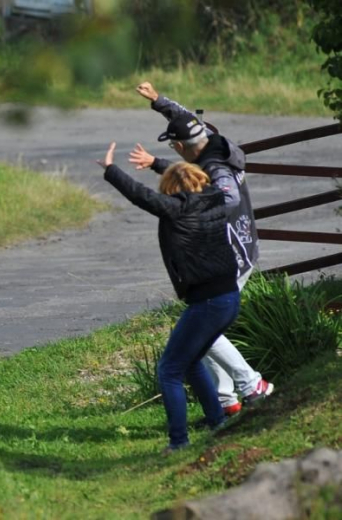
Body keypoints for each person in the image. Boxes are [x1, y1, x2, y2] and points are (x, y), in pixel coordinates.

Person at [129, 82, 273, 416]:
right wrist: (158, 101)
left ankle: (252, 384)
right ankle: (227, 399)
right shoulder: (217, 144)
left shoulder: (216, 169)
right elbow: (186, 119)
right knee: (210, 327)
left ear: (181, 147)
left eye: (176, 150)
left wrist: (193, 209)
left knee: (204, 326)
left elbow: (223, 195)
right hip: (245, 246)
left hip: (231, 254)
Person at [98, 145, 240, 454]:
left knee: (170, 370)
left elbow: (141, 196)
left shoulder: (176, 208)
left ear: (173, 189)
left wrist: (111, 170)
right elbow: (187, 176)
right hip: (229, 296)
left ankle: (178, 442)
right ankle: (216, 421)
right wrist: (158, 164)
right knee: (189, 363)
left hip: (208, 302)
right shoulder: (215, 197)